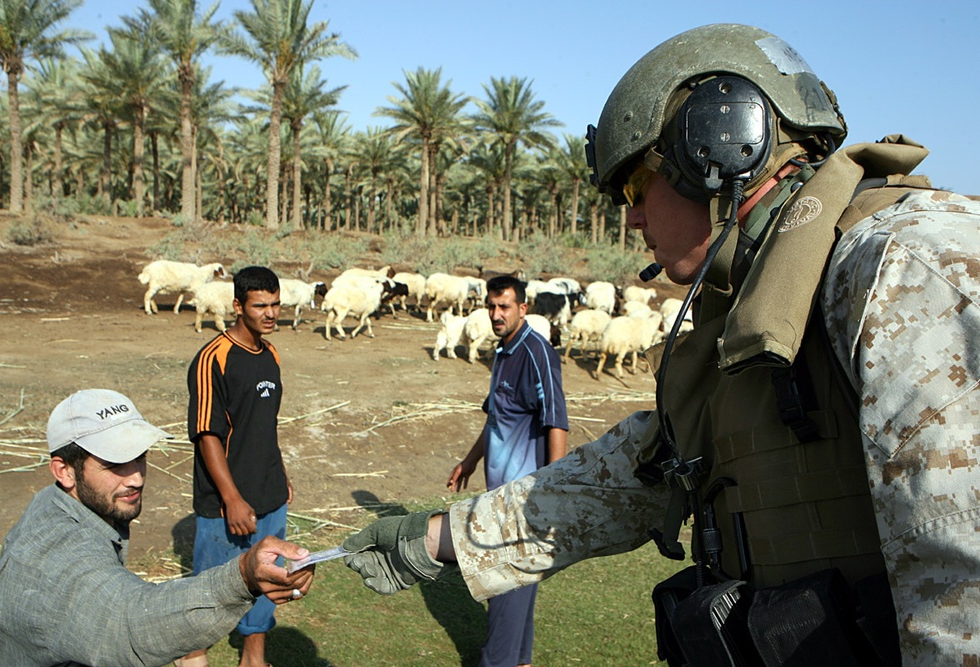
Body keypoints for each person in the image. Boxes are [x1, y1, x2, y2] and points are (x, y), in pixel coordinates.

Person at [342, 23, 980, 666]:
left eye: (632, 188)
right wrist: (435, 539)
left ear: (719, 146)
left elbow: (965, 585)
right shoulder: (750, 306)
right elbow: (635, 476)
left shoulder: (909, 270)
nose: (632, 218)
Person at [0, 388, 314, 667]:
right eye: (114, 464)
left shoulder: (52, 505)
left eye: (139, 456)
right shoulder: (63, 551)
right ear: (64, 470)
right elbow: (127, 622)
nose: (136, 477)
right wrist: (240, 577)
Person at [445, 275, 568, 667]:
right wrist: (471, 459)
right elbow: (497, 417)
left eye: (505, 307)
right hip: (497, 493)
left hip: (522, 496)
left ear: (522, 309)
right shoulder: (502, 352)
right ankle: (520, 660)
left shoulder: (537, 353)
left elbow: (557, 423)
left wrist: (551, 489)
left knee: (502, 581)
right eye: (492, 307)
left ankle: (496, 661)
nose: (497, 315)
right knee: (518, 580)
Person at [182, 266, 292, 667]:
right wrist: (231, 498)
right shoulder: (214, 357)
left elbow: (265, 423)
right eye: (260, 305)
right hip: (225, 502)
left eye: (275, 304)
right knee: (210, 588)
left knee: (267, 578)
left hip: (270, 494)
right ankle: (193, 656)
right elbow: (206, 434)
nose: (270, 313)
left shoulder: (272, 353)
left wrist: (281, 475)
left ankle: (254, 657)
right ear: (237, 306)